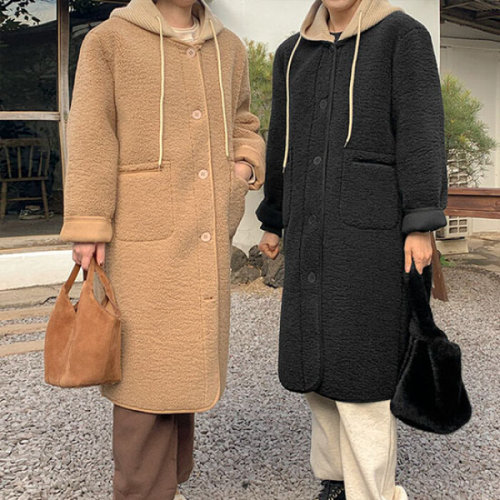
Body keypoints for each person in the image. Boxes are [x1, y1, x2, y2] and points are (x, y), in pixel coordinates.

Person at [60, 0, 265, 498]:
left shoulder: (229, 47)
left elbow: (245, 122)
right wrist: (89, 222)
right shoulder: (109, 41)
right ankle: (141, 490)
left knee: (185, 365)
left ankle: (166, 484)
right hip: (139, 236)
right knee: (143, 374)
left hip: (204, 231)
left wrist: (242, 167)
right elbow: (91, 133)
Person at [257, 0, 448, 499]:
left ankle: (373, 492)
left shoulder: (401, 36)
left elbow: (422, 131)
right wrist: (273, 218)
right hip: (309, 232)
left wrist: (421, 221)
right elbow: (281, 140)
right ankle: (336, 481)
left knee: (365, 375)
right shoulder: (292, 53)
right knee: (317, 373)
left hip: (372, 236)